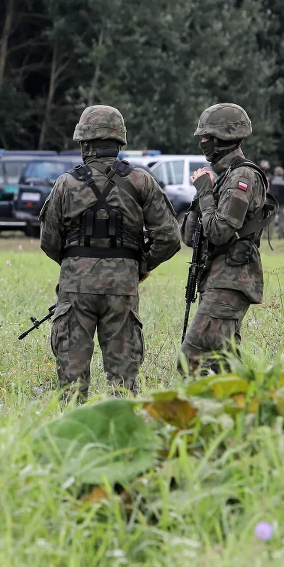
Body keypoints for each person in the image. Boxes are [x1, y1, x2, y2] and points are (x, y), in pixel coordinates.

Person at [38, 105, 181, 400]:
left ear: (85, 144)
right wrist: (140, 264)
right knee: (123, 377)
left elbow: (49, 240)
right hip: (123, 286)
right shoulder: (141, 181)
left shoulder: (66, 183)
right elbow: (169, 237)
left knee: (71, 377)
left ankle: (72, 433)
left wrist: (75, 262)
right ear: (119, 143)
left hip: (76, 287)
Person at [181, 103, 273, 374]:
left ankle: (201, 413)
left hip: (231, 279)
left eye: (206, 137)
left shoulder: (242, 176)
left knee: (193, 359)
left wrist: (206, 194)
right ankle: (248, 412)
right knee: (223, 364)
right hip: (218, 278)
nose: (202, 142)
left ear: (224, 137)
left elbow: (219, 231)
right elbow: (189, 235)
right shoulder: (224, 177)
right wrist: (202, 195)